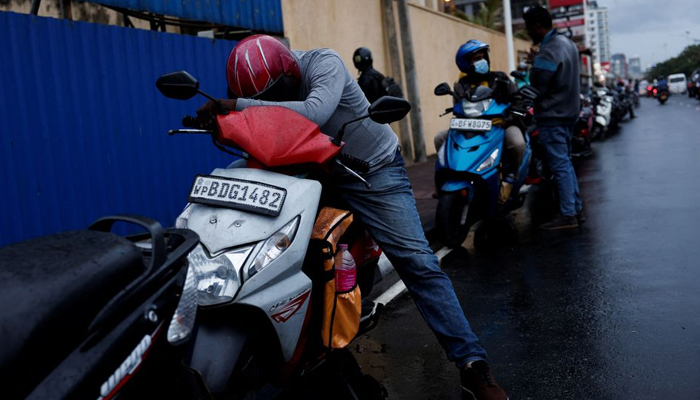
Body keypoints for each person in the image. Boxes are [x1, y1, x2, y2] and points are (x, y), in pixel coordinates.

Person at [197, 35, 509, 400]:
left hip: (371, 170)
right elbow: (259, 125)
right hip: (309, 169)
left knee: (418, 263)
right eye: (263, 99)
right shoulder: (261, 87)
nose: (271, 103)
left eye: (275, 94)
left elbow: (314, 112)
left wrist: (237, 106)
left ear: (289, 71)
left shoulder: (323, 63)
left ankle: (472, 364)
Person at [436, 39, 526, 203]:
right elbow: (458, 107)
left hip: (500, 125)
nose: (481, 61)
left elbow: (517, 99)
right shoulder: (461, 85)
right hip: (470, 129)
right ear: (466, 63)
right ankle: (449, 177)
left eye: (482, 57)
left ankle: (511, 176)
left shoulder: (501, 79)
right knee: (440, 138)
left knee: (517, 142)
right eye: (476, 59)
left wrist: (509, 119)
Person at [524, 6, 584, 230]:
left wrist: (535, 63)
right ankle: (575, 209)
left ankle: (568, 214)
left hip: (552, 114)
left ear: (537, 26)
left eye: (530, 28)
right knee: (565, 163)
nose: (529, 32)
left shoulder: (549, 49)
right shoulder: (567, 43)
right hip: (568, 113)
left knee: (559, 164)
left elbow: (539, 82)